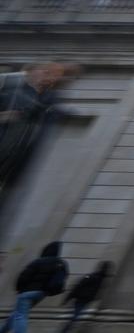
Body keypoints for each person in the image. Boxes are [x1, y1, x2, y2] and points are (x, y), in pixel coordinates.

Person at [0, 63, 79, 220]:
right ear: (30, 71)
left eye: (54, 75)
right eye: (46, 71)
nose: (50, 77)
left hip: (14, 162)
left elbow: (56, 115)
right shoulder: (8, 85)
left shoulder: (49, 99)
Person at [0, 241, 67, 333]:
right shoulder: (61, 263)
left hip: (27, 292)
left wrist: (19, 289)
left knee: (20, 316)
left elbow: (24, 276)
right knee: (15, 316)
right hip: (41, 294)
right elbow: (60, 281)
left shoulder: (39, 261)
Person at [51, 260, 112, 333]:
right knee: (74, 319)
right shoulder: (95, 277)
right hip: (81, 300)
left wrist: (69, 298)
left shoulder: (99, 278)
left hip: (83, 300)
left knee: (74, 319)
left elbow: (79, 286)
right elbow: (78, 286)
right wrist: (68, 298)